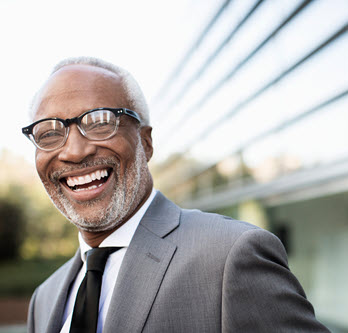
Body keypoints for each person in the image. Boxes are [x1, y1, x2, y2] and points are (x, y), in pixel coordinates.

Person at [24, 57, 330, 333]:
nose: (75, 151)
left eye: (101, 123)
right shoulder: (44, 299)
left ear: (145, 142)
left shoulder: (229, 257)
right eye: (48, 134)